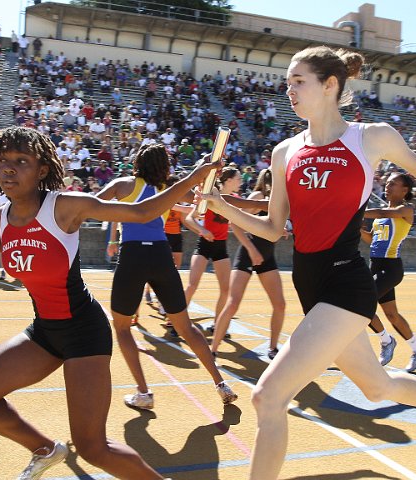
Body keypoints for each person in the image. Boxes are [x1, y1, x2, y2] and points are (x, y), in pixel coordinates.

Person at [201, 47, 416, 477]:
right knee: (377, 386)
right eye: (287, 82)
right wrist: (221, 205)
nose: (289, 90)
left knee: (268, 397)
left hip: (346, 284)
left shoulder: (370, 137)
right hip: (310, 285)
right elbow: (272, 227)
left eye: (298, 81)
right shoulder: (285, 151)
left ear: (330, 85)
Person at [0, 126, 220, 479]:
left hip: (84, 332)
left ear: (42, 170)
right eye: (3, 161)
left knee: (94, 448)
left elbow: (142, 213)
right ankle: (46, 450)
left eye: (22, 161)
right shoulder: (1, 215)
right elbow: (3, 238)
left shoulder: (66, 206)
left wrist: (194, 177)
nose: (9, 169)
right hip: (45, 333)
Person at [98, 144, 237, 410]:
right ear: (165, 167)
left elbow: (92, 205)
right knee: (185, 327)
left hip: (133, 256)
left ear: (137, 161)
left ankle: (144, 393)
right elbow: (195, 197)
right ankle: (221, 384)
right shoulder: (167, 190)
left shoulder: (124, 184)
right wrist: (207, 166)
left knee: (123, 327)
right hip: (162, 256)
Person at [209, 169, 286, 360]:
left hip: (267, 256)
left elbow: (269, 225)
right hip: (248, 253)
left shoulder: (277, 200)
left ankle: (273, 348)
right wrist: (251, 249)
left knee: (280, 305)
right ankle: (213, 349)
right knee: (233, 303)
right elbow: (235, 222)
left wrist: (281, 231)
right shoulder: (258, 196)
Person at [361, 172, 416, 372]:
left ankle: (386, 341)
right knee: (391, 314)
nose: (388, 187)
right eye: (387, 183)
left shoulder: (405, 210)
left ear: (404, 190)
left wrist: (356, 211)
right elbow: (371, 240)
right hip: (376, 265)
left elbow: (382, 214)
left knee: (362, 303)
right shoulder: (381, 215)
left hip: (391, 268)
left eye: (393, 184)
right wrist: (358, 230)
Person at [183, 167, 243, 333]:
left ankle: (217, 325)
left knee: (225, 289)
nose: (241, 182)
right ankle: (175, 321)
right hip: (204, 244)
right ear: (228, 181)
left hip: (220, 246)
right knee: (192, 285)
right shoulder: (211, 196)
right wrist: (203, 230)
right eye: (238, 179)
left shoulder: (235, 200)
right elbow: (190, 218)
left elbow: (241, 221)